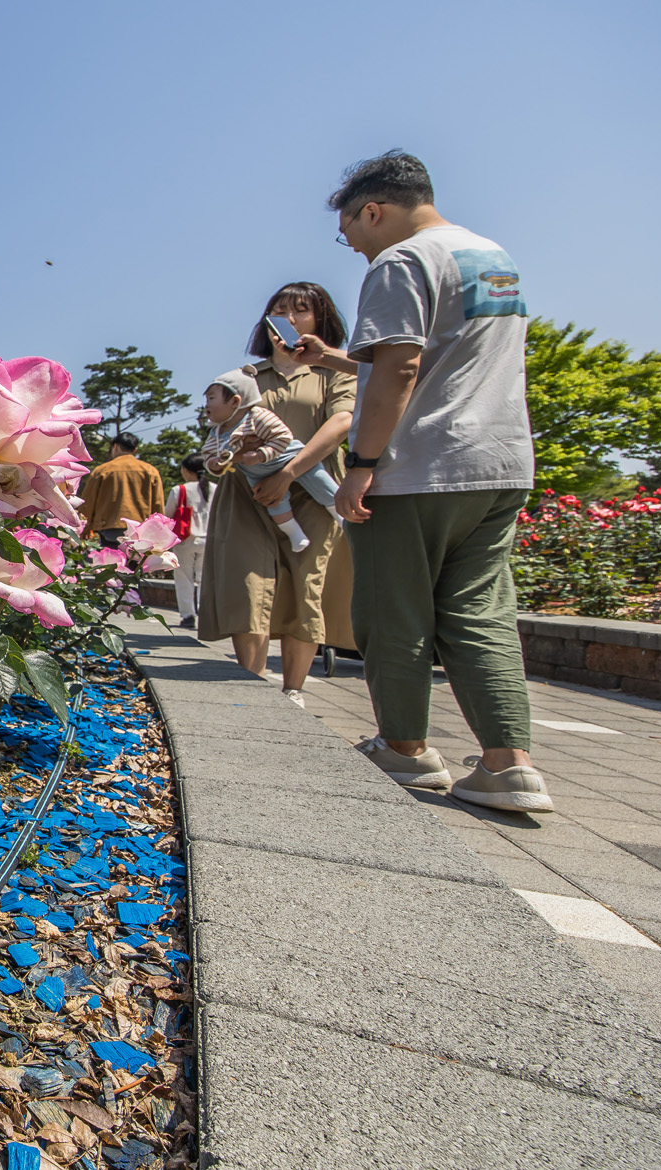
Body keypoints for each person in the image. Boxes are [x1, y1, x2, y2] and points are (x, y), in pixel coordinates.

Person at [289, 150, 548, 813]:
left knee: (394, 610)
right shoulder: (491, 258)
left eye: (351, 232)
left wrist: (364, 464)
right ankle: (508, 766)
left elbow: (401, 372)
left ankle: (404, 749)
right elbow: (443, 359)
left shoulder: (400, 262)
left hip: (421, 467)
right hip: (498, 464)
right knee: (480, 612)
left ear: (373, 210)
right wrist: (341, 360)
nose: (353, 247)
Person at [198, 282, 357, 708]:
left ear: (321, 320)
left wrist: (288, 473)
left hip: (312, 488)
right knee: (248, 581)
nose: (285, 320)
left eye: (299, 311)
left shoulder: (336, 372)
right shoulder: (245, 377)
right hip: (246, 492)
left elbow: (342, 423)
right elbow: (220, 426)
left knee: (306, 583)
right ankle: (250, 683)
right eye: (278, 311)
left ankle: (293, 690)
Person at [200, 370, 340, 552]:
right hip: (257, 474)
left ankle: (340, 515)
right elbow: (208, 454)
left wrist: (260, 455)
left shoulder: (257, 417)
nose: (206, 405)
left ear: (235, 401)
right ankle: (295, 534)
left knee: (320, 482)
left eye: (211, 399)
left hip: (290, 458)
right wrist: (214, 464)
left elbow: (283, 437)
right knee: (274, 504)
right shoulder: (216, 432)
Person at [78, 432, 164, 547]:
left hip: (108, 527)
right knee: (135, 564)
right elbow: (158, 504)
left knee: (111, 562)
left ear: (116, 446)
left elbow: (88, 502)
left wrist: (85, 527)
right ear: (135, 450)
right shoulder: (150, 471)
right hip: (140, 530)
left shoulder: (102, 470)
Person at [161, 452, 212, 628]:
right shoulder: (216, 488)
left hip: (186, 540)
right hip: (210, 539)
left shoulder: (180, 490)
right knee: (205, 578)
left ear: (186, 470)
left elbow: (168, 516)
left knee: (184, 578)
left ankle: (188, 615)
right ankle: (205, 613)